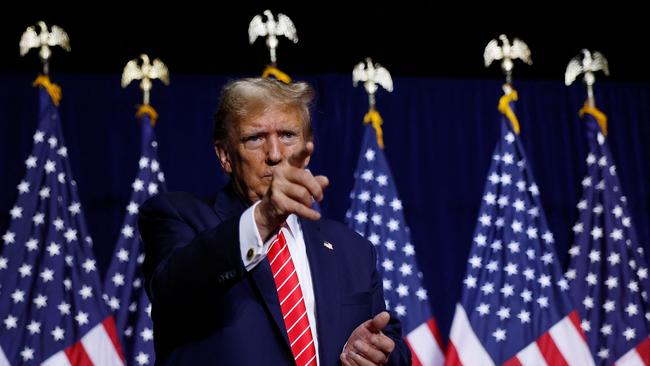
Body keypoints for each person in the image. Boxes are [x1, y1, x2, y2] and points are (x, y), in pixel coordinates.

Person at [138, 77, 411, 365]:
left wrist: (374, 354)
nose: (275, 155)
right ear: (225, 156)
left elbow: (393, 347)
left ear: (307, 149)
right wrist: (264, 218)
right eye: (255, 138)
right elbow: (171, 289)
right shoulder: (175, 215)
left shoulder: (353, 249)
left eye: (288, 135)